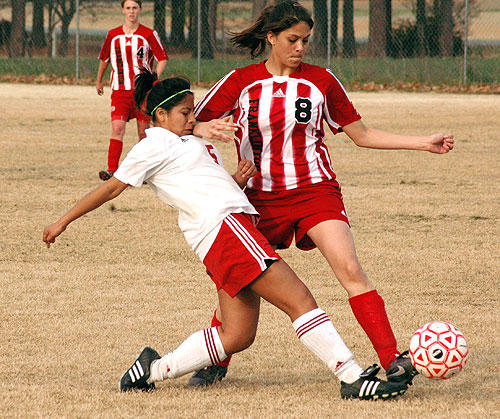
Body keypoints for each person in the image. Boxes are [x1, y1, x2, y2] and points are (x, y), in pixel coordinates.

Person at [42, 71, 408, 400]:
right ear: (160, 116)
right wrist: (63, 221)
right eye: (186, 113)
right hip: (226, 229)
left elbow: (196, 183)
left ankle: (149, 371)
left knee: (237, 335)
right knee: (299, 298)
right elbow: (110, 189)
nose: (193, 119)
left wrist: (234, 182)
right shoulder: (154, 144)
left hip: (223, 234)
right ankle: (352, 377)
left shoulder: (188, 141)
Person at [190, 0, 454, 387]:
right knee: (241, 278)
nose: (300, 48)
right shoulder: (240, 81)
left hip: (316, 191)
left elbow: (361, 135)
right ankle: (217, 360)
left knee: (350, 269)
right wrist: (200, 132)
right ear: (271, 38)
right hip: (258, 200)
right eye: (292, 40)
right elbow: (187, 120)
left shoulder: (322, 80)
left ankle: (392, 359)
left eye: (306, 41)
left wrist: (422, 142)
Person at [95, 0, 168, 181]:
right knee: (118, 128)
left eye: (135, 8)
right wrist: (99, 81)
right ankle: (112, 170)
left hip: (142, 92)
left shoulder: (149, 34)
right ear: (123, 10)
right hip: (120, 91)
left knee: (144, 133)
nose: (131, 11)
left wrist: (153, 79)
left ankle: (143, 172)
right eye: (128, 8)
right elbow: (104, 59)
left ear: (140, 10)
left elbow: (163, 58)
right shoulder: (113, 35)